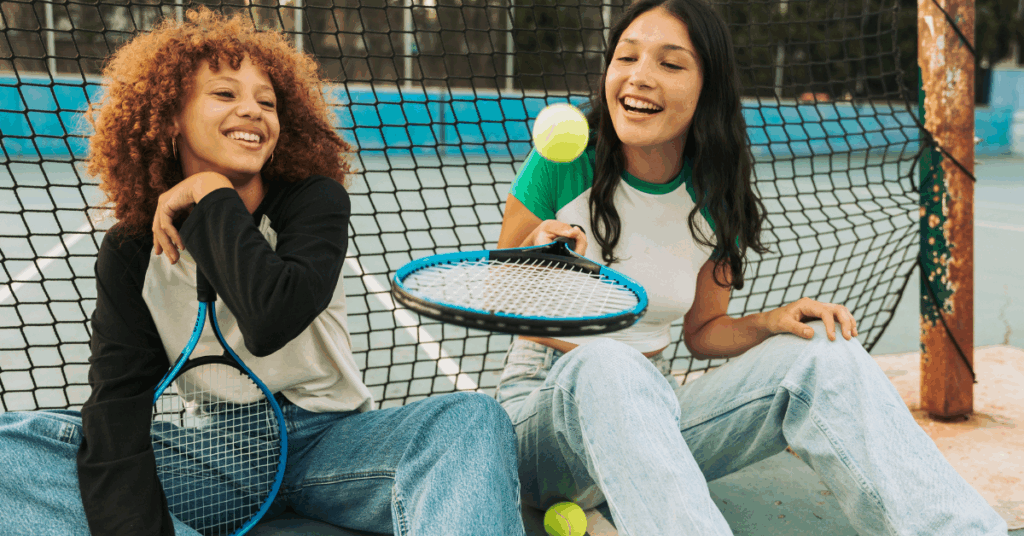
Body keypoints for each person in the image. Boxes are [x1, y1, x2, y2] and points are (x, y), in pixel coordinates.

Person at [0, 8, 525, 536]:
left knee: (472, 421)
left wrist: (209, 192)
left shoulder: (314, 201)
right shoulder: (133, 249)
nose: (252, 111)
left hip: (338, 443)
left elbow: (271, 314)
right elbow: (119, 403)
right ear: (171, 116)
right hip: (219, 456)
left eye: (267, 102)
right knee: (15, 446)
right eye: (225, 94)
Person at [495, 0, 1010, 535]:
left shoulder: (716, 191)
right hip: (541, 420)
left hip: (653, 411)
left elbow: (702, 332)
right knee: (612, 363)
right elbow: (491, 293)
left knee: (823, 348)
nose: (639, 77)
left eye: (670, 64)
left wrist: (772, 321)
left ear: (706, 88)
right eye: (626, 57)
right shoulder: (561, 159)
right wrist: (535, 253)